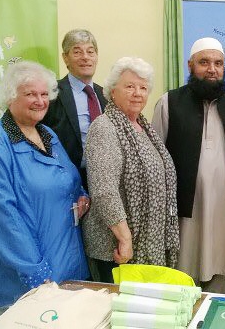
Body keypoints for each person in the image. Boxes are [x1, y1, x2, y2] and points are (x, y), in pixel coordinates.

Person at [0, 61, 90, 307]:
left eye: (44, 94)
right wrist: (37, 273)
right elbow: (3, 218)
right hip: (26, 273)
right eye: (30, 94)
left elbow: (68, 180)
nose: (40, 101)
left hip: (66, 261)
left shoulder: (48, 134)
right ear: (10, 97)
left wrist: (81, 195)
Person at [153, 37, 225, 294]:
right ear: (191, 65)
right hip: (183, 209)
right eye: (204, 62)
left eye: (218, 63)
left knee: (223, 274)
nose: (212, 69)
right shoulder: (169, 102)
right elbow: (154, 157)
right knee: (182, 276)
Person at [82, 57, 179, 283]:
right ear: (112, 91)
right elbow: (104, 190)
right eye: (130, 86)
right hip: (115, 249)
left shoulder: (143, 127)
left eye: (143, 88)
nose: (137, 93)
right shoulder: (105, 127)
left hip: (144, 243)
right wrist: (125, 239)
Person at [41, 29, 107, 190]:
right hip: (63, 181)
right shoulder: (51, 93)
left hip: (104, 180)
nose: (85, 57)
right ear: (65, 58)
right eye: (77, 52)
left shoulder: (106, 95)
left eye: (90, 52)